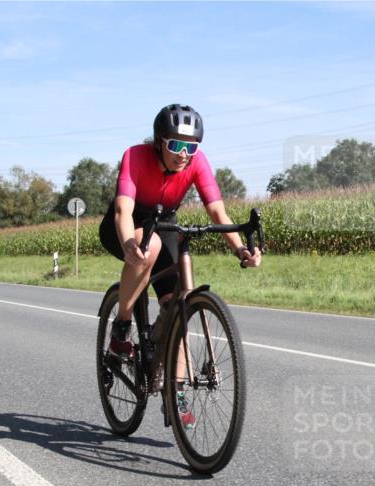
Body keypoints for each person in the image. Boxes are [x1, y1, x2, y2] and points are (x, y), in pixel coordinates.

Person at [99, 103, 261, 426]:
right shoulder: (135, 156)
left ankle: (177, 392)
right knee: (150, 247)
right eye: (176, 145)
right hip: (126, 224)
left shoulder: (196, 162)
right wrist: (131, 243)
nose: (184, 153)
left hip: (165, 222)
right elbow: (122, 212)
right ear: (160, 141)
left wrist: (241, 249)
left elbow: (218, 213)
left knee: (178, 306)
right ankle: (121, 328)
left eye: (191, 146)